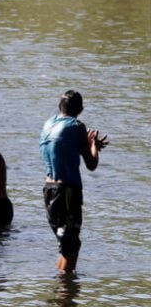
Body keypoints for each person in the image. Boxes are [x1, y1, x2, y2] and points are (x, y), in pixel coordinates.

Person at [40, 90, 108, 273]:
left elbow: (61, 147)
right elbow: (91, 164)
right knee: (71, 247)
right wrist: (94, 146)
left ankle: (61, 283)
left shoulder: (48, 123)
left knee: (66, 244)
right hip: (67, 191)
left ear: (59, 107)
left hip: (49, 189)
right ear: (81, 110)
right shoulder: (77, 126)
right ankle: (66, 288)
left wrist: (85, 143)